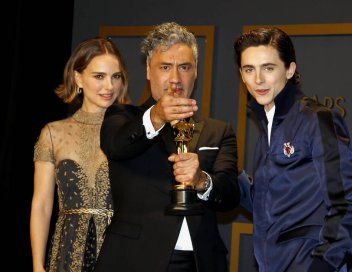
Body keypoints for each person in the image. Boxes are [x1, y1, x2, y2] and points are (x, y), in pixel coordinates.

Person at [94, 22, 240, 272]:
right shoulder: (122, 117)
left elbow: (229, 195)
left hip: (200, 261)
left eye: (184, 67)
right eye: (165, 67)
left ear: (195, 72)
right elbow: (116, 145)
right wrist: (157, 116)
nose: (175, 78)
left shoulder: (218, 130)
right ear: (149, 70)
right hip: (133, 259)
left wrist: (202, 180)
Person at [233, 27, 352, 272]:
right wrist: (212, 178)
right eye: (249, 69)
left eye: (268, 68)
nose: (258, 79)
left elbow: (348, 204)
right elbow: (267, 202)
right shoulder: (268, 126)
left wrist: (323, 264)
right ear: (241, 75)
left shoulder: (316, 119)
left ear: (290, 70)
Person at [30, 37, 130, 272]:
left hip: (118, 252)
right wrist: (37, 264)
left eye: (116, 76)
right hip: (66, 252)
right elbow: (42, 205)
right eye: (99, 76)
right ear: (78, 78)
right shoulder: (53, 133)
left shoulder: (132, 132)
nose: (109, 86)